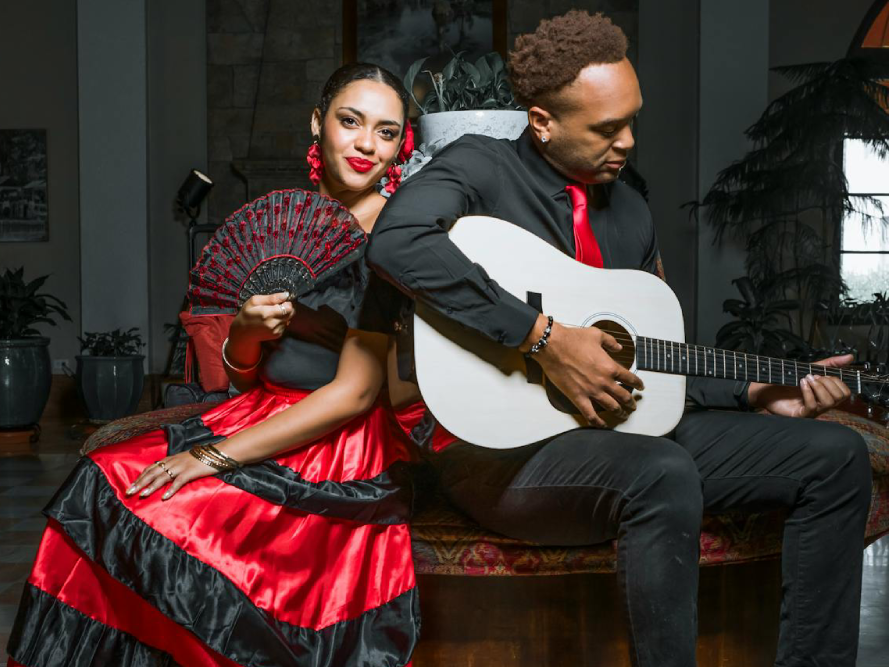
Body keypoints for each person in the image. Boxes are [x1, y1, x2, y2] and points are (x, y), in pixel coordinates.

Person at [366, 11, 871, 667]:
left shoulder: (629, 208)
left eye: (633, 119)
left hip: (616, 434)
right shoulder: (479, 169)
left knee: (834, 455)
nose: (628, 140)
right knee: (661, 473)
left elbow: (647, 355)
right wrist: (541, 337)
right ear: (542, 121)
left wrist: (752, 391)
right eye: (607, 127)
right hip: (497, 454)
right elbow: (397, 243)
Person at [7, 63, 420, 667]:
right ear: (317, 122)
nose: (365, 145)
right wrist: (247, 334)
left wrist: (209, 456)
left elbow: (355, 396)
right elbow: (244, 376)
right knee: (98, 481)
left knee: (179, 509)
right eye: (350, 121)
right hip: (253, 409)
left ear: (400, 146)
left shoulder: (395, 234)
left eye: (386, 133)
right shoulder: (290, 220)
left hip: (337, 441)